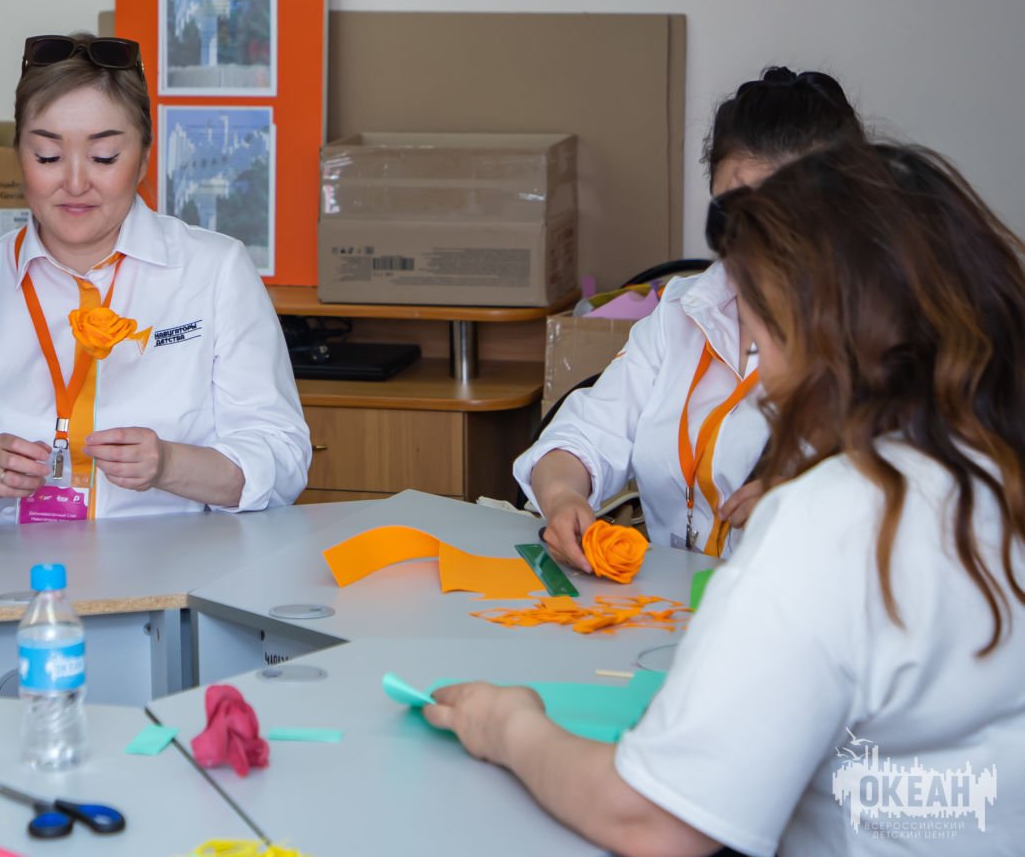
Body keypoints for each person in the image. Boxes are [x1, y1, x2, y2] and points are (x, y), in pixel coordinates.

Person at [426, 141, 1025, 855]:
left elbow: (653, 820)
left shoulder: (834, 520)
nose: (757, 360)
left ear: (818, 328)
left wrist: (507, 725)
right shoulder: (988, 462)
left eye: (759, 326)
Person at [0, 33, 310, 529]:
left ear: (144, 158)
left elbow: (283, 459)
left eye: (104, 157)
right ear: (18, 156)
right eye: (47, 156)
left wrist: (170, 465)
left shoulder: (214, 271)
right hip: (7, 571)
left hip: (175, 565)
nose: (75, 182)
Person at [513, 68, 864, 567]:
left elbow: (921, 498)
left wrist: (819, 501)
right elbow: (587, 433)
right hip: (671, 600)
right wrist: (563, 497)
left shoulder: (881, 333)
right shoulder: (683, 311)